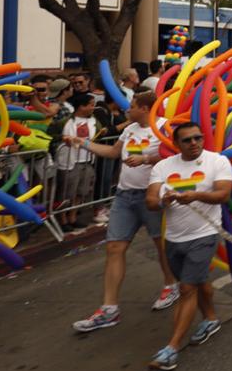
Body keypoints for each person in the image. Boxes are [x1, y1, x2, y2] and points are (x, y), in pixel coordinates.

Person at [72, 92, 180, 332]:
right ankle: (110, 309)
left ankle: (171, 285)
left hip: (151, 196)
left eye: (132, 106)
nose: (128, 109)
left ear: (144, 108)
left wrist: (145, 159)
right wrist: (84, 144)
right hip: (124, 196)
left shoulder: (164, 127)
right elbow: (112, 153)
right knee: (114, 247)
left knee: (160, 245)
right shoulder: (129, 129)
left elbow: (172, 156)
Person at [144, 121, 232, 371]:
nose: (194, 143)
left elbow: (222, 195)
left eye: (198, 138)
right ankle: (211, 319)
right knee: (199, 282)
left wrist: (194, 196)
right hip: (173, 238)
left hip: (205, 234)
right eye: (187, 140)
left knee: (186, 289)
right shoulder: (163, 167)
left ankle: (171, 349)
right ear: (176, 144)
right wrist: (162, 200)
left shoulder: (218, 161)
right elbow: (150, 200)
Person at [51, 94, 102, 231]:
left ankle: (73, 217)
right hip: (69, 161)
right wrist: (63, 138)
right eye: (91, 104)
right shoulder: (65, 121)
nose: (93, 107)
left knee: (81, 191)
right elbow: (51, 135)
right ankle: (63, 219)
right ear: (81, 106)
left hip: (87, 161)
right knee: (66, 192)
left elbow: (99, 135)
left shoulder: (94, 121)